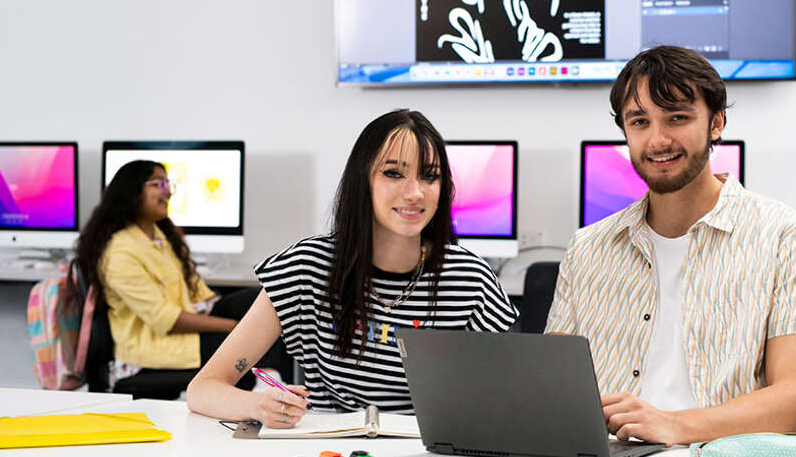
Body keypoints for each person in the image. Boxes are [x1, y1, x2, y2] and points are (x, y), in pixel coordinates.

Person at [545, 45, 796, 445]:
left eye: (677, 118)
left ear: (716, 123)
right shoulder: (587, 248)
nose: (657, 140)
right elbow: (557, 390)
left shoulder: (786, 236)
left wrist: (673, 424)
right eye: (639, 121)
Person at [186, 109, 517, 427]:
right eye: (393, 173)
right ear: (363, 181)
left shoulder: (470, 278)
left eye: (429, 176)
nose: (415, 192)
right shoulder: (307, 267)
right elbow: (204, 389)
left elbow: (509, 401)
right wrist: (258, 405)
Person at [74, 160, 269, 391]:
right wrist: (235, 327)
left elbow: (196, 292)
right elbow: (166, 320)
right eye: (158, 184)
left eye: (168, 185)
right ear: (131, 191)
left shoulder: (160, 235)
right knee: (242, 346)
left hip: (182, 328)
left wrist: (250, 319)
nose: (167, 192)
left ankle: (291, 387)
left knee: (264, 300)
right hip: (154, 347)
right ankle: (282, 391)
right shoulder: (119, 251)